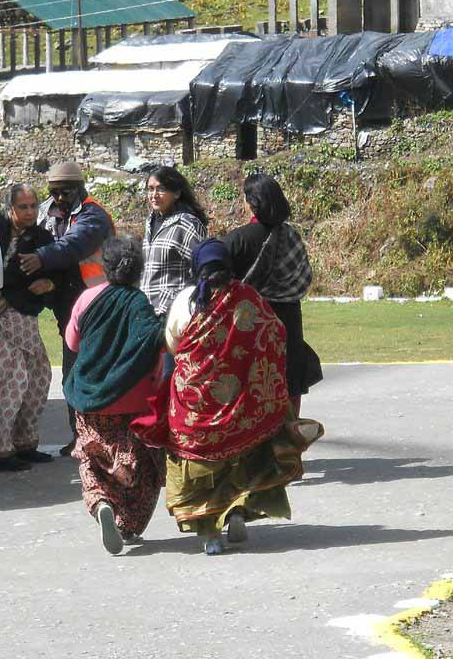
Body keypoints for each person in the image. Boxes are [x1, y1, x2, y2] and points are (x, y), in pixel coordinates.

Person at [133, 239, 318, 555]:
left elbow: (173, 341)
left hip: (196, 404)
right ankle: (237, 511)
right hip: (241, 405)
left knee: (200, 467)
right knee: (242, 457)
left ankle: (210, 535)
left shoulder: (188, 300)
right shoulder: (249, 298)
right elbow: (275, 333)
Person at [64, 237, 165, 555]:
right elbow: (153, 344)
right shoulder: (139, 303)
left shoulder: (87, 298)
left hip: (89, 399)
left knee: (90, 458)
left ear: (105, 267)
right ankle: (128, 525)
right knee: (141, 468)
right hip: (133, 400)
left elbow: (72, 343)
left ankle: (101, 502)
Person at [0, 184, 60, 471]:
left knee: (38, 377)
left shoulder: (42, 238)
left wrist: (49, 283)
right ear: (10, 209)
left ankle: (25, 443)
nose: (29, 212)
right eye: (23, 207)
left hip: (22, 317)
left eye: (33, 207)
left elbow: (57, 274)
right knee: (9, 380)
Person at [19, 161, 113, 456]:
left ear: (79, 188)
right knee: (72, 373)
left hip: (97, 305)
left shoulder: (93, 216)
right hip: (67, 305)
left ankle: (97, 438)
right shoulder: (50, 212)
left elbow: (73, 245)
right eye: (54, 192)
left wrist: (41, 258)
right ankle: (80, 437)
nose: (58, 198)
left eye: (64, 192)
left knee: (89, 372)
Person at [221, 174, 322, 417]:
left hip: (250, 322)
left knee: (253, 381)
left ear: (251, 202)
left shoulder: (236, 241)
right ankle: (287, 443)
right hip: (287, 320)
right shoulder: (290, 236)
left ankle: (256, 445)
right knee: (287, 379)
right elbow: (303, 277)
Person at [140, 166, 208, 378]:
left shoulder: (187, 224)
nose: (154, 195)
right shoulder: (151, 221)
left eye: (160, 189)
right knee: (150, 378)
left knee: (171, 376)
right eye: (150, 189)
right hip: (149, 312)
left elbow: (203, 267)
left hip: (174, 313)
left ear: (176, 192)